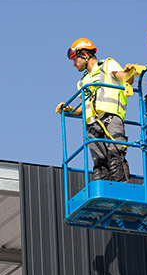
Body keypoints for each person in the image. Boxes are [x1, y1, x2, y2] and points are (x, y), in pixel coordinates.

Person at [55, 38, 130, 182]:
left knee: (115, 155)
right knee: (99, 163)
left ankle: (122, 188)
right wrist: (68, 109)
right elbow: (83, 108)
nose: (74, 64)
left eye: (74, 59)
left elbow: (124, 77)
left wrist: (129, 75)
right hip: (92, 125)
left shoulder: (107, 64)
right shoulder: (83, 81)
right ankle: (104, 193)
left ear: (84, 54)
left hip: (110, 118)